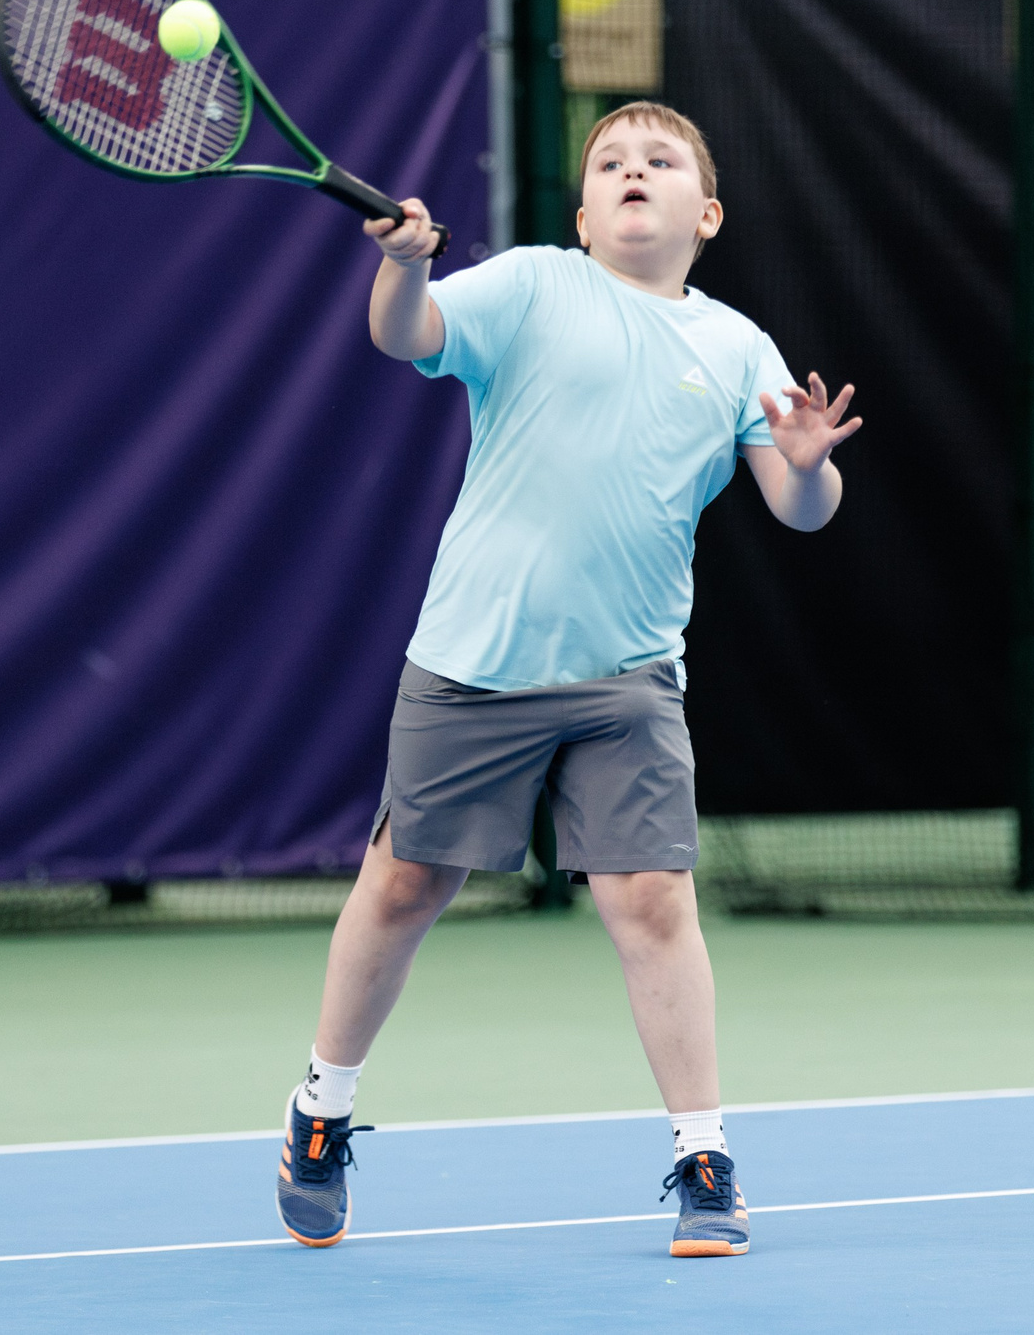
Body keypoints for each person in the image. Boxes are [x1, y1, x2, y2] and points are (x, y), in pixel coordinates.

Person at [274, 101, 860, 1260]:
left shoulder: (736, 347)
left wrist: (803, 469)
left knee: (651, 903)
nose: (631, 171)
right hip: (474, 662)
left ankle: (705, 1157)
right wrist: (399, 269)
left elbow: (798, 508)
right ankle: (319, 1110)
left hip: (628, 679)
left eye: (659, 161)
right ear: (585, 214)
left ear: (708, 212)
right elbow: (411, 334)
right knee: (402, 888)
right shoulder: (535, 286)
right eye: (608, 162)